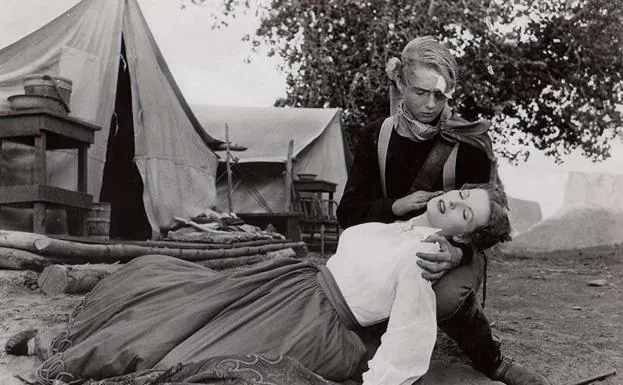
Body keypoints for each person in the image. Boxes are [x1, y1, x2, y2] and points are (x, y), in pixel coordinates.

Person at [7, 184, 511, 385]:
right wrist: (404, 210)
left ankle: (67, 364)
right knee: (173, 299)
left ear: (463, 235)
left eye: (466, 212)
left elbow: (407, 340)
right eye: (461, 192)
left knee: (197, 355)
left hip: (318, 326)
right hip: (291, 284)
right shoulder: (399, 221)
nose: (453, 201)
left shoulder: (426, 258)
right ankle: (59, 347)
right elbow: (354, 223)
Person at [336, 36, 550, 385]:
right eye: (421, 92)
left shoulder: (468, 142)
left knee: (446, 289)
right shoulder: (376, 136)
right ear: (401, 84)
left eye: (441, 95)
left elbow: (493, 220)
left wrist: (458, 251)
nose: (431, 104)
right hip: (384, 239)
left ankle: (491, 360)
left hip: (448, 246)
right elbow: (347, 213)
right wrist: (395, 206)